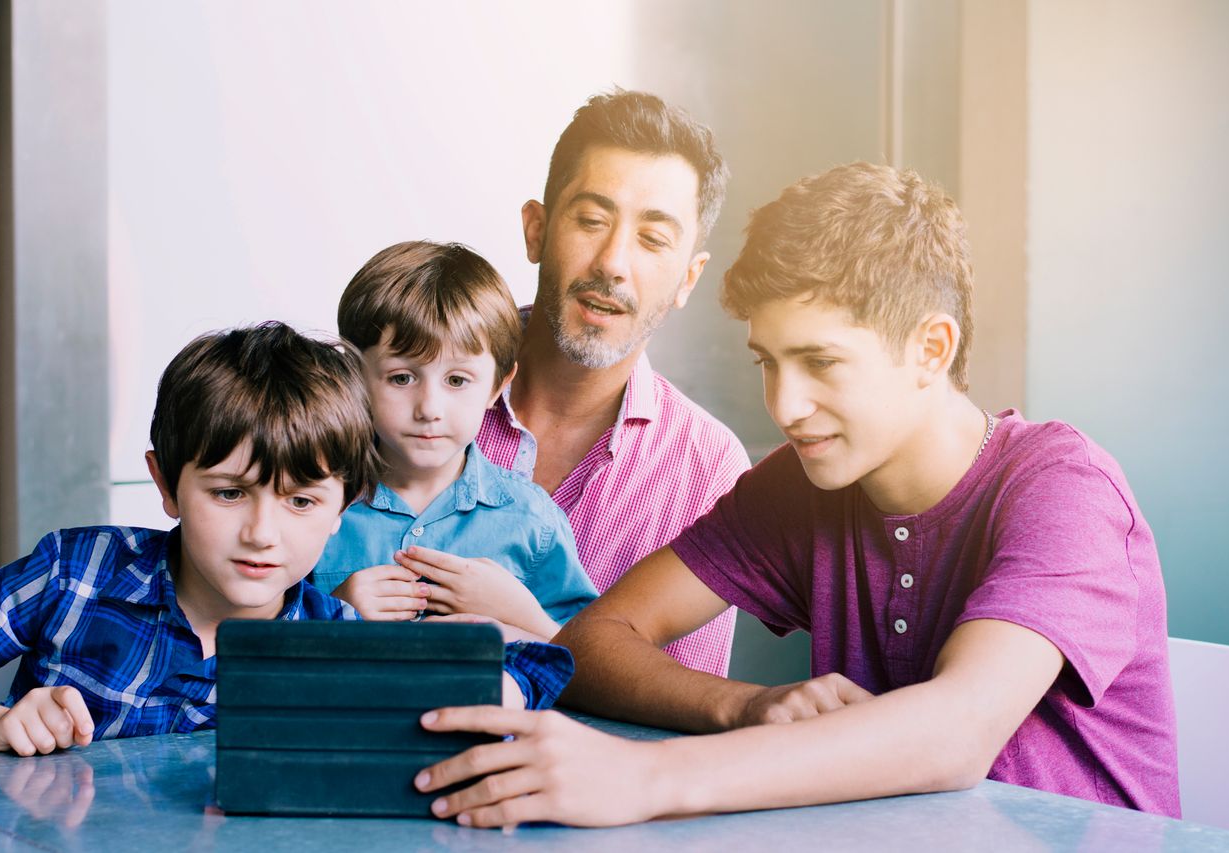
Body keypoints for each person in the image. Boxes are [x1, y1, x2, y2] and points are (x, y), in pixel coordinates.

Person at [412, 163, 1179, 825]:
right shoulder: (802, 484)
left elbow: (957, 732)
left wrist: (645, 776)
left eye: (821, 362)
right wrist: (743, 705)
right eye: (769, 363)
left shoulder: (1064, 485)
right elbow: (596, 636)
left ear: (931, 348)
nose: (785, 404)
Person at [0, 322, 572, 755]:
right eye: (229, 493)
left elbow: (540, 667)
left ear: (345, 506)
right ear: (166, 485)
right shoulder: (76, 571)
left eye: (302, 502)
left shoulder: (334, 640)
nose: (262, 534)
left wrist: (493, 674)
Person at [476, 89, 751, 674]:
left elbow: (674, 715)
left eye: (653, 238)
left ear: (688, 278)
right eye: (592, 220)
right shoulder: (410, 391)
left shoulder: (708, 470)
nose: (613, 262)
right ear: (536, 230)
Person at [312, 241, 597, 640]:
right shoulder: (313, 504)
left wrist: (522, 617)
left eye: (457, 380)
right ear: (356, 376)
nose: (429, 408)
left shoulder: (531, 520)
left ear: (498, 387)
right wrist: (332, 616)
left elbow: (582, 664)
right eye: (401, 378)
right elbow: (254, 646)